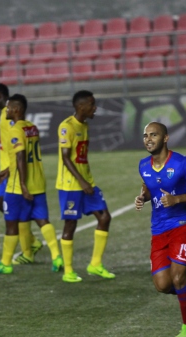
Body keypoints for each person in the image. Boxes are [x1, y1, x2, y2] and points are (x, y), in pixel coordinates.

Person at [134, 122, 186, 337]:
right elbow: (150, 188)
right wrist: (143, 197)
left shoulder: (183, 163)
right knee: (163, 285)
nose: (148, 139)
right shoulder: (143, 165)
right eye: (145, 135)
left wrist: (177, 199)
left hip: (182, 225)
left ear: (166, 138)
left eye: (154, 135)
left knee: (178, 279)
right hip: (158, 230)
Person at [0, 94, 61, 274]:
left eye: (9, 107)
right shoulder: (32, 128)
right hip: (38, 182)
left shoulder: (15, 130)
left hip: (18, 187)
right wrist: (8, 169)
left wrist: (22, 185)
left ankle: (5, 263)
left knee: (11, 223)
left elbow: (20, 157)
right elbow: (25, 157)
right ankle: (57, 256)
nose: (7, 110)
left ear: (17, 110)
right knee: (43, 220)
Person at [56, 90, 114, 283]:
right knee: (70, 225)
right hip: (71, 185)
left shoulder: (85, 125)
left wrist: (86, 181)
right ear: (81, 106)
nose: (95, 107)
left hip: (88, 183)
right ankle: (68, 271)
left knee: (104, 218)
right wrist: (81, 181)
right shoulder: (67, 127)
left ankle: (95, 264)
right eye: (92, 104)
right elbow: (65, 158)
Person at [0, 83, 43, 264]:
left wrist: (9, 169)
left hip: (12, 172)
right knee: (3, 206)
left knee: (14, 211)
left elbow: (18, 148)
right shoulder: (5, 116)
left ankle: (27, 249)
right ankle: (31, 242)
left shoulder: (8, 117)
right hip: (9, 169)